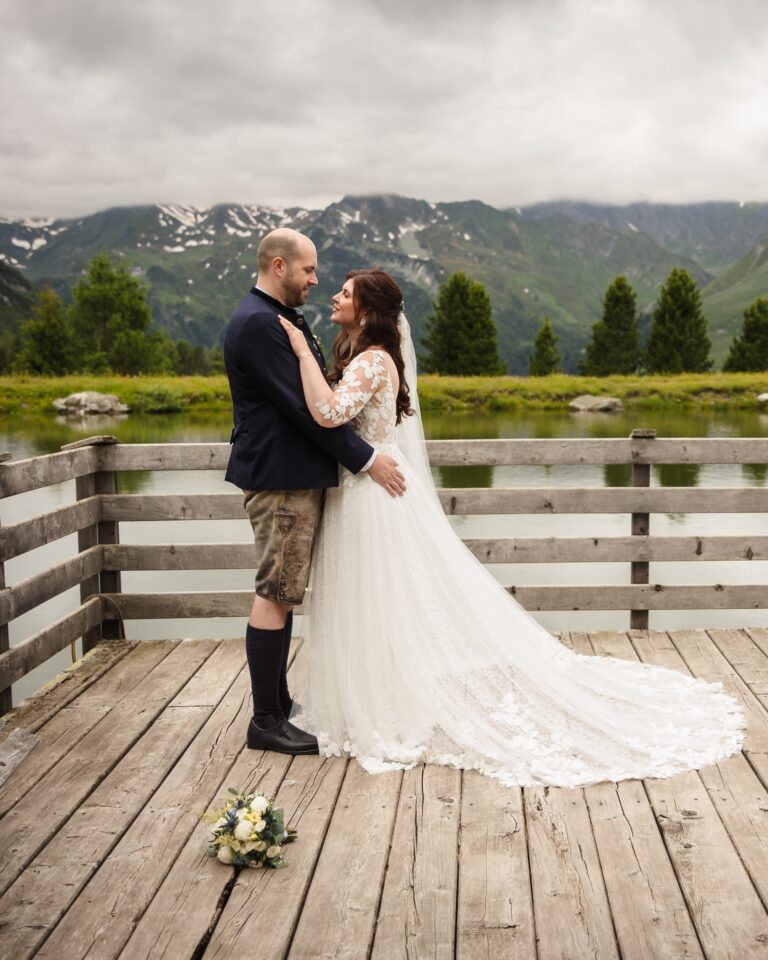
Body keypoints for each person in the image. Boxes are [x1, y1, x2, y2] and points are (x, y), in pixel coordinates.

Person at [278, 268, 745, 787]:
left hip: (372, 496)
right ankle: (373, 694)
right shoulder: (368, 357)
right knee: (374, 598)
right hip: (368, 487)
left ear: (366, 311)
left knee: (377, 596)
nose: (335, 297)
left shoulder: (370, 360)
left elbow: (325, 412)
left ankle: (381, 703)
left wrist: (301, 353)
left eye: (346, 293)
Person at [223, 230, 405, 757]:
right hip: (281, 476)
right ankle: (265, 720)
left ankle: (278, 706)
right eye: (309, 270)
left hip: (294, 475)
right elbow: (307, 412)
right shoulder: (260, 324)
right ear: (280, 266)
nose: (317, 280)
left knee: (283, 591)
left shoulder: (276, 318)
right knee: (275, 591)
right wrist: (368, 460)